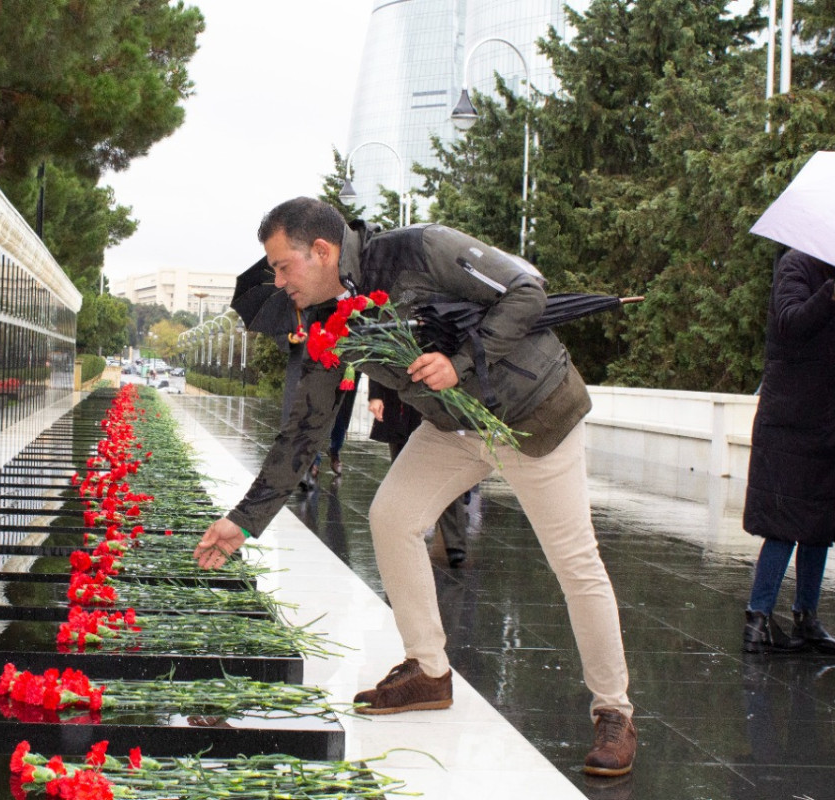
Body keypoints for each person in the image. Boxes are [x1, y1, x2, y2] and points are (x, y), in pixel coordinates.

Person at [193, 197, 636, 776]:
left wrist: (460, 359)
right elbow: (304, 429)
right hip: (456, 426)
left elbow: (528, 289)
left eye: (281, 267)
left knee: (574, 561)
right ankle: (428, 669)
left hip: (533, 413)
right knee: (392, 516)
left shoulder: (420, 249)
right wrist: (243, 520)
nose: (277, 282)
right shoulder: (330, 320)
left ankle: (615, 713)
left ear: (321, 251)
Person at [741, 249, 835, 657]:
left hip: (832, 420)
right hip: (792, 420)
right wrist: (834, 292)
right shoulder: (796, 265)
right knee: (784, 521)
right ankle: (757, 621)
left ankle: (807, 619)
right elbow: (790, 324)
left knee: (820, 523)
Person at [368, 377, 469, 567]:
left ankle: (455, 543)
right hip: (398, 401)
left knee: (443, 473)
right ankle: (398, 538)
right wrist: (375, 395)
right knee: (400, 474)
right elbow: (379, 354)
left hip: (434, 398)